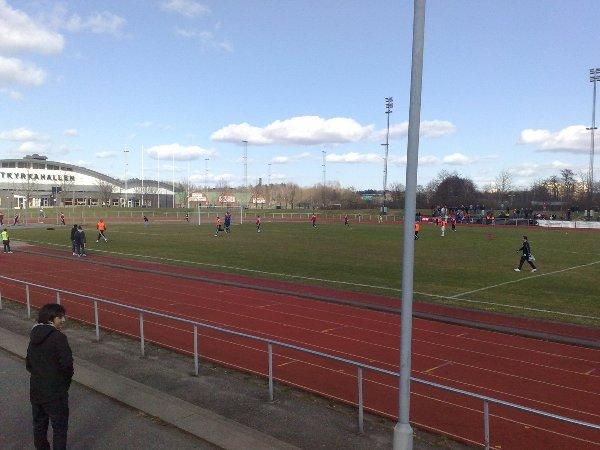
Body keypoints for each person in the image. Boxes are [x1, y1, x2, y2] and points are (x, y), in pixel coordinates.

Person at [26, 303, 73, 450]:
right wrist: (63, 385)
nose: (63, 320)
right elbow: (67, 366)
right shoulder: (59, 338)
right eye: (60, 317)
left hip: (36, 391)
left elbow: (29, 364)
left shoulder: (34, 336)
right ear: (50, 319)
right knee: (59, 429)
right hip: (55, 393)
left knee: (39, 426)